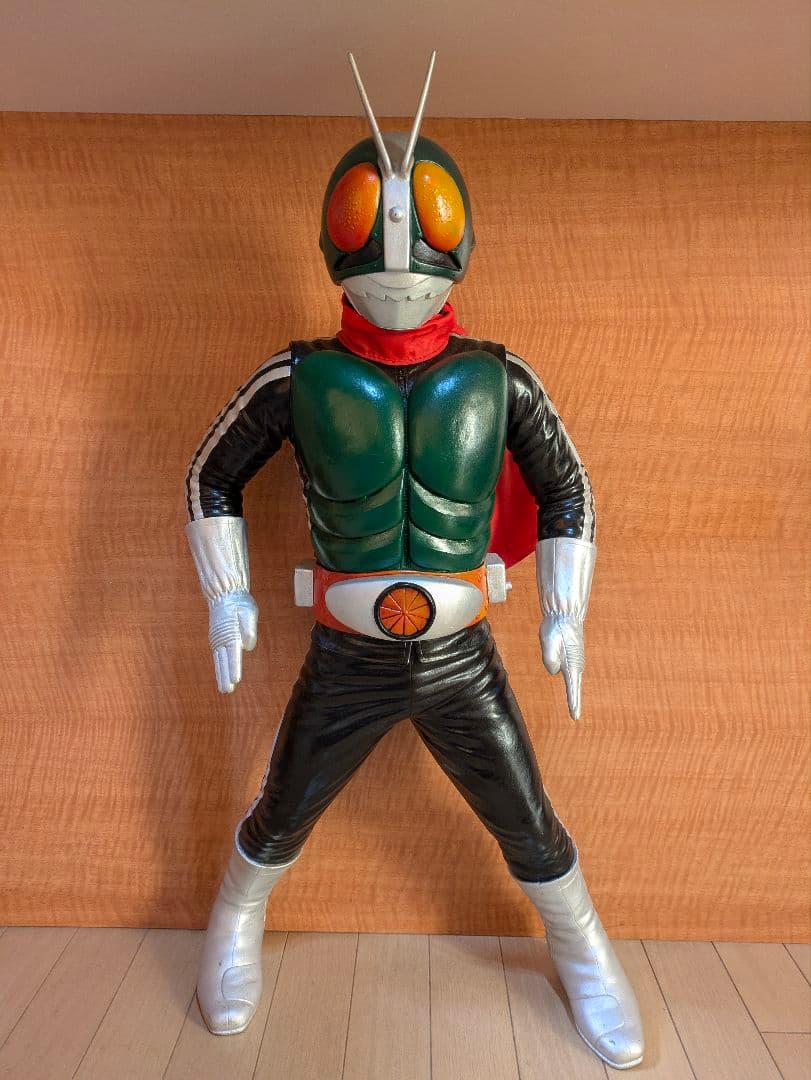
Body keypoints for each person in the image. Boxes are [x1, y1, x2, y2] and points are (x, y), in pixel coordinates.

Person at [184, 53, 644, 1071]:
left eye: (421, 215)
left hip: (459, 655)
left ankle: (582, 948)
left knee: (527, 819)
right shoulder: (299, 375)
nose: (397, 244)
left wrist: (564, 612)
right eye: (370, 215)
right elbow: (212, 473)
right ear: (332, 237)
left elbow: (567, 487)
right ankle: (235, 922)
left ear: (459, 236)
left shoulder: (498, 376)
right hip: (344, 654)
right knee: (282, 811)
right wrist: (226, 596)